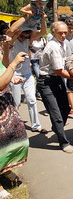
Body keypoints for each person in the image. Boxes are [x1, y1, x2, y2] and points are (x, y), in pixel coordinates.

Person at [37, 21, 73, 154]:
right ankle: (64, 142)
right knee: (56, 113)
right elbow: (59, 70)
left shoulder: (62, 44)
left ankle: (57, 128)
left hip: (57, 80)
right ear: (53, 32)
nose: (64, 35)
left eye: (65, 32)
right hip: (47, 82)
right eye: (60, 33)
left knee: (65, 107)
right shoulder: (53, 46)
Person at [7, 15, 48, 134]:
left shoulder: (27, 39)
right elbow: (13, 32)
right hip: (15, 75)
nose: (24, 38)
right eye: (22, 35)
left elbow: (43, 32)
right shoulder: (11, 41)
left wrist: (42, 18)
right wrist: (26, 20)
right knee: (16, 103)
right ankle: (13, 127)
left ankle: (36, 125)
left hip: (28, 74)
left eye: (27, 36)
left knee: (32, 100)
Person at [0, 48, 29, 199]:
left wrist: (11, 78)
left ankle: (4, 170)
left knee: (15, 140)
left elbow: (2, 68)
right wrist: (15, 63)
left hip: (4, 105)